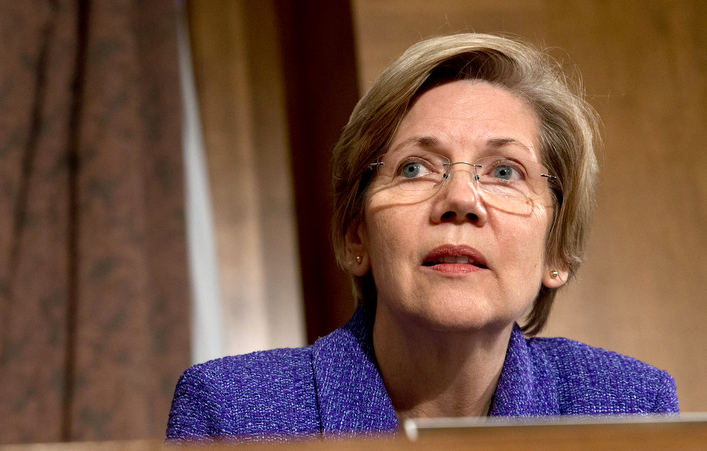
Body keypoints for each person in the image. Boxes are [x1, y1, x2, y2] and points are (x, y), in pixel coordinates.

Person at [166, 33, 678, 442]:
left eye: (505, 172)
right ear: (354, 235)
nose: (461, 198)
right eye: (414, 167)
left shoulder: (628, 407)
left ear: (557, 249)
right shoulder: (233, 414)